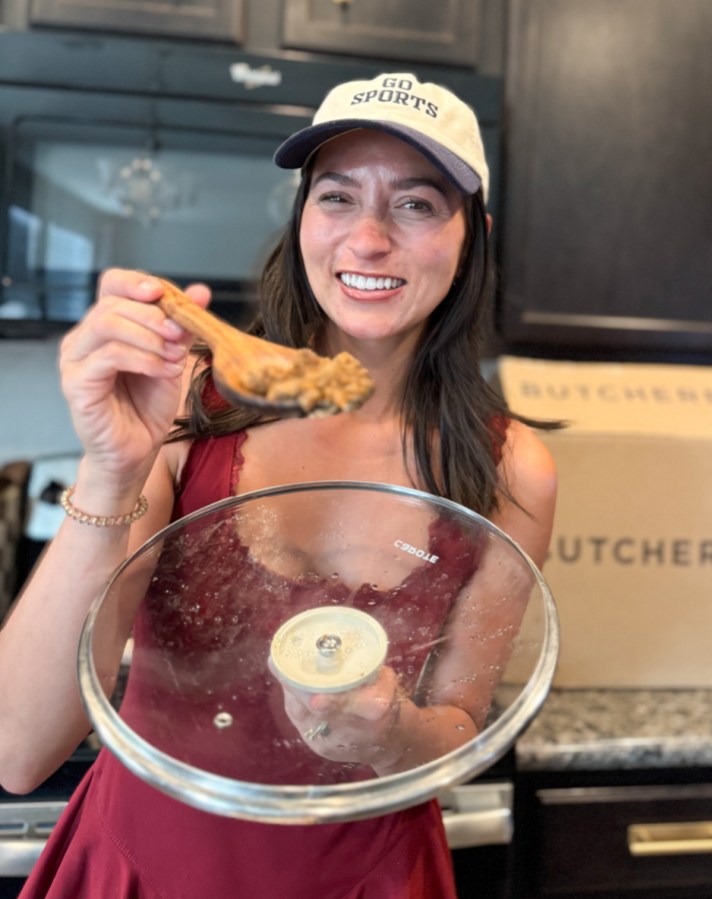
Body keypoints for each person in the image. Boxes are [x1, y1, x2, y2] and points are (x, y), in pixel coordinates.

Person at [0, 72, 558, 898]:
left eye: (415, 203)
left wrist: (393, 733)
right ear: (301, 219)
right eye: (336, 197)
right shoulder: (188, 406)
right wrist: (112, 465)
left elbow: (458, 728)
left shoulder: (511, 469)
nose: (367, 239)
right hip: (147, 864)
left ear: (470, 236)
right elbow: (17, 750)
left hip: (369, 877)